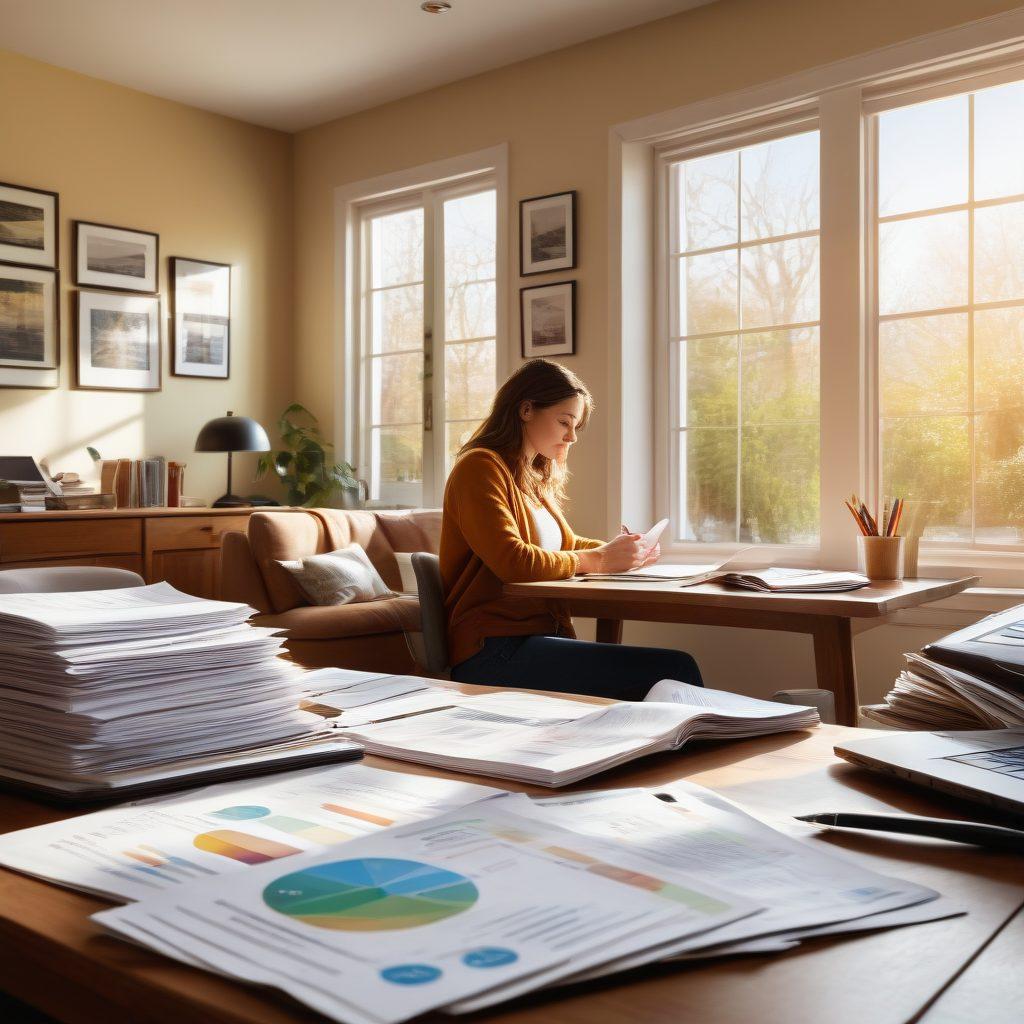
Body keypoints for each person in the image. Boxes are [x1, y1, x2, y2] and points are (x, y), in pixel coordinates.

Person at [440, 358, 702, 701]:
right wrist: (599, 560)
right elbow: (513, 560)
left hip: (534, 638)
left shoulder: (532, 479)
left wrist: (619, 551)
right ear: (526, 409)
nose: (572, 436)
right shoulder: (479, 467)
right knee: (675, 670)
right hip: (492, 649)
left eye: (576, 425)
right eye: (564, 421)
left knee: (674, 670)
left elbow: (565, 545)